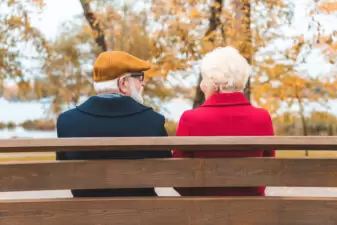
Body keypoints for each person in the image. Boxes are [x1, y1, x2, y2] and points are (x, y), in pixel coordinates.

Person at [56, 51, 171, 197]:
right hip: (141, 217)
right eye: (140, 77)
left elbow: (64, 173)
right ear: (123, 83)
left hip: (86, 218)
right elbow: (166, 174)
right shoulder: (154, 121)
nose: (143, 83)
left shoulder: (66, 122)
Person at [173, 46, 275, 196]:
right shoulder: (262, 118)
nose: (202, 86)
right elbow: (268, 171)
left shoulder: (191, 119)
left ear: (214, 83)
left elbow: (178, 178)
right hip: (251, 214)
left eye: (204, 79)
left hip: (201, 213)